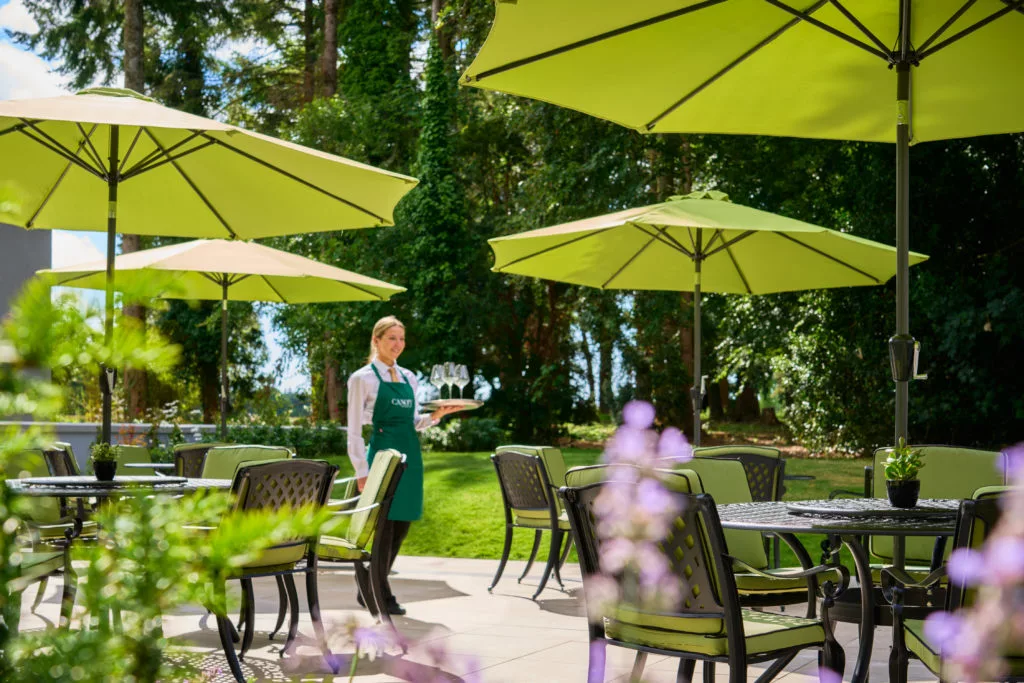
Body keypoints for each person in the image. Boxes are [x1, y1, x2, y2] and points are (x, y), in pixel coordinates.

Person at [346, 315, 462, 615]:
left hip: (411, 455)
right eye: (391, 338)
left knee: (402, 524)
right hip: (382, 456)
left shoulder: (409, 377)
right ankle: (380, 592)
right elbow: (354, 429)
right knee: (384, 526)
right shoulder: (362, 378)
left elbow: (412, 422)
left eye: (401, 339)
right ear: (376, 340)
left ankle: (368, 586)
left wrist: (437, 417)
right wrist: (361, 470)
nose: (397, 344)